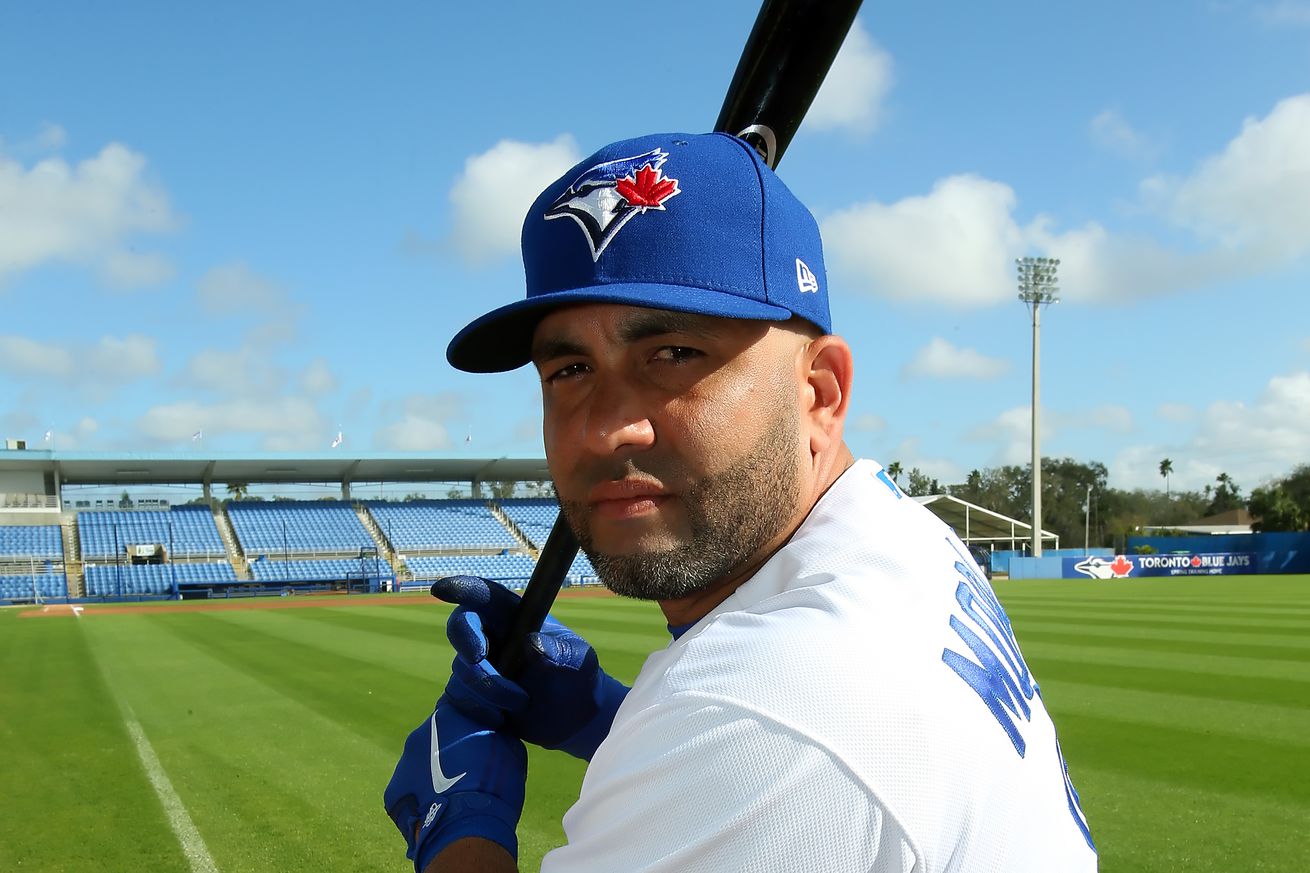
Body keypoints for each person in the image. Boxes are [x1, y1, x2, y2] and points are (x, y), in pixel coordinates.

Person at [384, 132, 1097, 872]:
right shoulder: (891, 529)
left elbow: (775, 730)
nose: (603, 428)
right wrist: (601, 710)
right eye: (569, 368)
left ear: (820, 393)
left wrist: (456, 823)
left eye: (674, 354)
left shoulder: (775, 714)